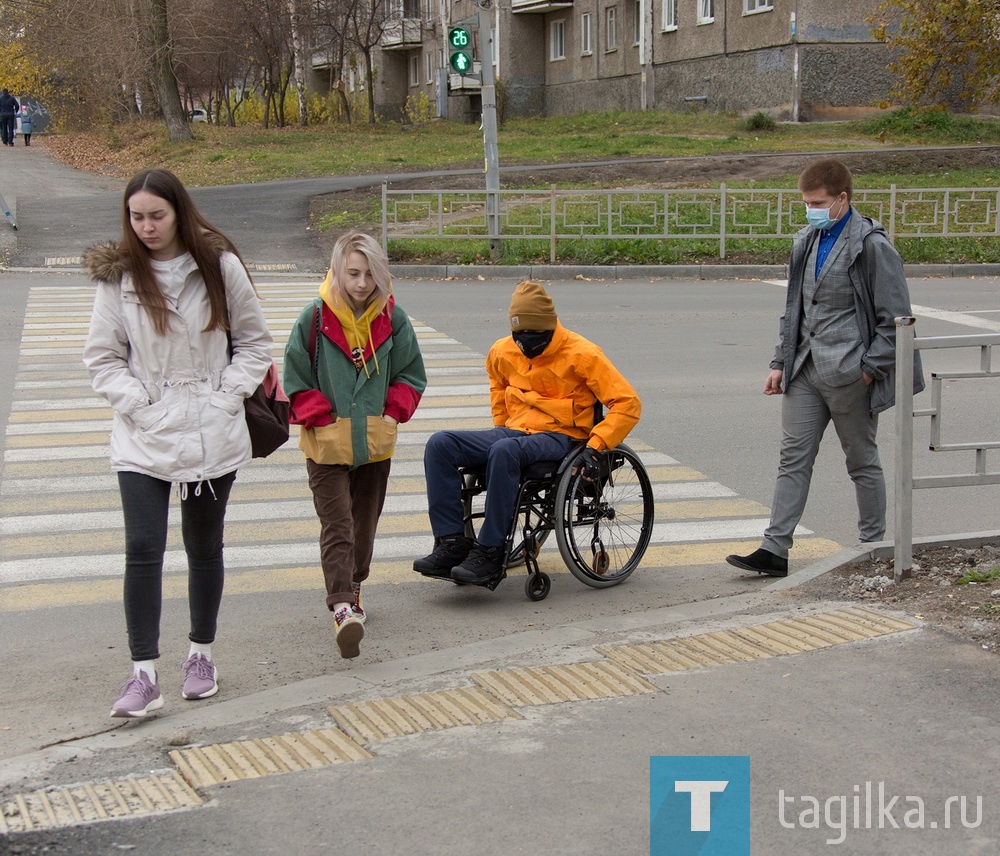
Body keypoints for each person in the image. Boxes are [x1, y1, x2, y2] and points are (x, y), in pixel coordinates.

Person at [83, 168, 273, 718]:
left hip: (212, 430)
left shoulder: (219, 266)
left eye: (156, 216)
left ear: (178, 213)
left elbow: (256, 343)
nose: (146, 227)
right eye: (136, 217)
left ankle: (201, 656)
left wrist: (224, 398)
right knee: (142, 548)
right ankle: (143, 673)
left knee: (203, 546)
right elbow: (103, 359)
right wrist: (144, 406)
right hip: (144, 434)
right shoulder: (118, 278)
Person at [726, 157, 924, 578]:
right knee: (792, 457)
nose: (810, 209)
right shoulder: (806, 240)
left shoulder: (872, 245)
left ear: (842, 200)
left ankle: (874, 545)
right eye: (806, 202)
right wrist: (780, 361)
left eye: (817, 202)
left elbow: (898, 317)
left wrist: (870, 368)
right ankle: (774, 549)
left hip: (852, 373)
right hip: (805, 370)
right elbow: (793, 307)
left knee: (861, 460)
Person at [414, 280, 642, 585]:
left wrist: (596, 446)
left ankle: (491, 551)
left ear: (550, 329)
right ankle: (452, 543)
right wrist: (501, 424)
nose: (526, 346)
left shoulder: (583, 354)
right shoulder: (502, 350)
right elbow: (498, 384)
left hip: (562, 436)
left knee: (504, 451)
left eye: (534, 338)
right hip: (514, 431)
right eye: (519, 337)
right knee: (440, 444)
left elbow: (628, 403)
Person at [282, 232, 426, 659]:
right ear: (337, 272)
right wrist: (320, 416)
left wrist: (391, 413)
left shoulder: (393, 319)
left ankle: (355, 584)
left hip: (373, 445)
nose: (362, 283)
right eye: (353, 274)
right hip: (325, 444)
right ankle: (343, 606)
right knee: (338, 525)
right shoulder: (315, 317)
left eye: (369, 274)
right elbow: (293, 378)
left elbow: (411, 375)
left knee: (364, 525)